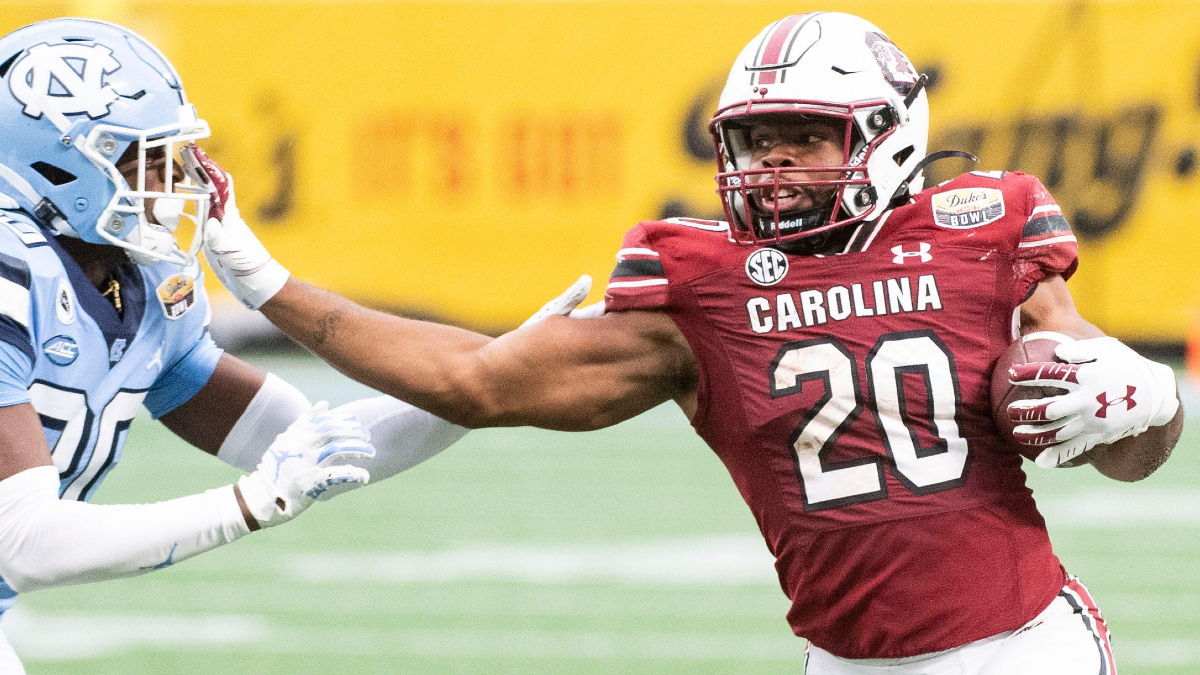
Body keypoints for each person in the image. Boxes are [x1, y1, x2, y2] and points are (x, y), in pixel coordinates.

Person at [201, 11, 1183, 673]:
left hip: (1016, 650)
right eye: (758, 141)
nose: (775, 163)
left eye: (805, 134)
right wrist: (263, 282)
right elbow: (473, 382)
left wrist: (1152, 403)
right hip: (842, 661)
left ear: (886, 136)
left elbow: (1127, 447)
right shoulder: (701, 290)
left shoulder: (986, 230)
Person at [0, 17, 543, 673]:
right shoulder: (12, 271)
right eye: (140, 160)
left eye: (169, 157)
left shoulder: (136, 287)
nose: (171, 183)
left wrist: (496, 377)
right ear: (53, 168)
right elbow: (24, 541)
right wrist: (245, 505)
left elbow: (311, 442)